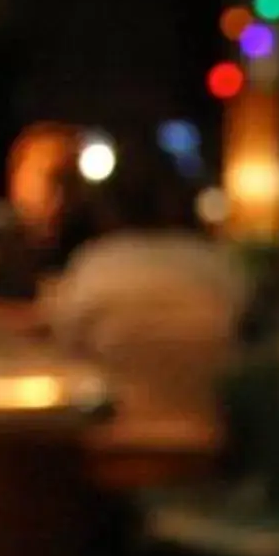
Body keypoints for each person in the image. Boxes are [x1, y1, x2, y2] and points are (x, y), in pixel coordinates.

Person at [39, 144, 248, 458]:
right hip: (211, 444)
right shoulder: (220, 266)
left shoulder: (98, 263)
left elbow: (64, 347)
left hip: (114, 444)